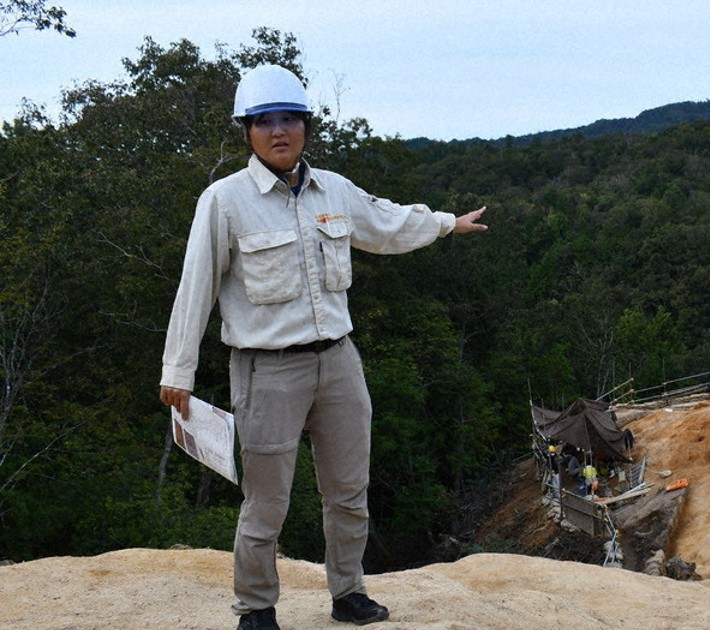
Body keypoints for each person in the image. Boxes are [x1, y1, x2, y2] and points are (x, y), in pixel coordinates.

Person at [158, 65, 487, 630]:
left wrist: (444, 223)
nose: (278, 130)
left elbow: (384, 223)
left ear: (306, 126)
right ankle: (257, 608)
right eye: (264, 121)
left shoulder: (332, 189)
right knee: (266, 501)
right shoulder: (225, 201)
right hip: (266, 370)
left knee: (348, 489)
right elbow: (196, 287)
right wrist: (177, 371)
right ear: (247, 130)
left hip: (338, 362)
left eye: (289, 119)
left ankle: (348, 592)